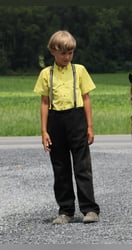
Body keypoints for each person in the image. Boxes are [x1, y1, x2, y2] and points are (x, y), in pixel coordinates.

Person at [33, 30, 100, 224]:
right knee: (60, 168)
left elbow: (86, 98)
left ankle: (90, 209)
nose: (67, 57)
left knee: (82, 166)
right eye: (63, 53)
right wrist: (44, 131)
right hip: (55, 121)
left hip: (76, 118)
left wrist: (90, 126)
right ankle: (65, 211)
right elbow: (44, 102)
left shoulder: (79, 70)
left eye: (70, 53)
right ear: (53, 51)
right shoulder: (46, 73)